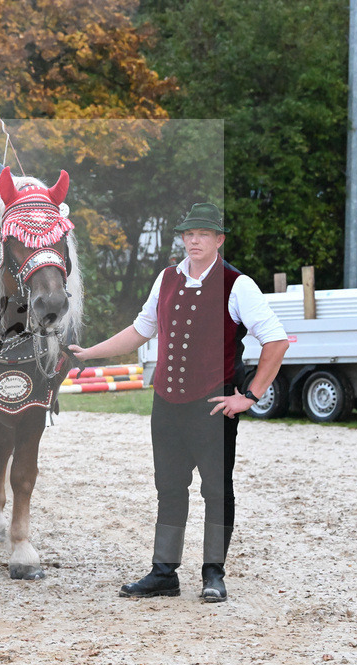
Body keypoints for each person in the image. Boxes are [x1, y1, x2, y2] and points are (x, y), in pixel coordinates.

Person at [69, 202, 289, 603]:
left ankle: (213, 574)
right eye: (188, 234)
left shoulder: (238, 285)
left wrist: (250, 396)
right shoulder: (166, 278)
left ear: (218, 240)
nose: (193, 240)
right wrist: (90, 353)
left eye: (202, 234)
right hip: (167, 404)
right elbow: (141, 330)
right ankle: (164, 573)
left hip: (213, 406)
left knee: (217, 491)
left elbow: (276, 342)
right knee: (169, 489)